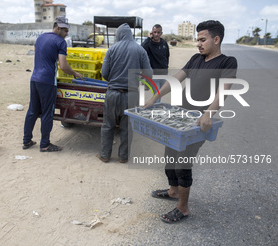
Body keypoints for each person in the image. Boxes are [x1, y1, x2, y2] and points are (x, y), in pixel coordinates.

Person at [144, 20, 237, 223]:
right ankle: (173, 191)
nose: (198, 43)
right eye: (198, 40)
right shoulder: (196, 59)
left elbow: (225, 90)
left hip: (197, 123)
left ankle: (183, 208)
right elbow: (175, 79)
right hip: (180, 117)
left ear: (216, 39)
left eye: (203, 40)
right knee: (170, 155)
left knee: (183, 163)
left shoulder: (227, 62)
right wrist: (153, 98)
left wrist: (208, 114)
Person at [23, 16, 83, 152]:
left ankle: (26, 141)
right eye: (65, 30)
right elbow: (63, 65)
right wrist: (75, 74)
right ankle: (45, 144)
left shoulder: (40, 38)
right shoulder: (61, 42)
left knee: (32, 110)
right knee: (47, 113)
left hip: (35, 79)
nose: (66, 33)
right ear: (57, 27)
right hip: (48, 81)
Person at [97, 23, 152, 163]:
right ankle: (123, 157)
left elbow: (104, 73)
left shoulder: (112, 49)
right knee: (127, 128)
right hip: (132, 95)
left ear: (119, 35)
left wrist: (114, 80)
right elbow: (149, 73)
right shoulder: (140, 50)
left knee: (108, 125)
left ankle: (105, 155)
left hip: (112, 94)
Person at [141, 24, 170, 103]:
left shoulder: (164, 43)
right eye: (154, 32)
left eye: (158, 32)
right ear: (152, 33)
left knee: (159, 95)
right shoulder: (148, 44)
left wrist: (166, 68)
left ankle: (153, 109)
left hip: (163, 74)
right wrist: (147, 39)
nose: (156, 34)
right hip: (154, 75)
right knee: (157, 96)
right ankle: (154, 112)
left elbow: (167, 56)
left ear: (161, 33)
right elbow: (142, 49)